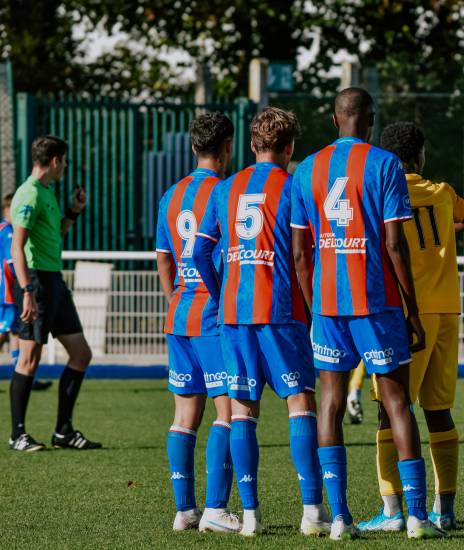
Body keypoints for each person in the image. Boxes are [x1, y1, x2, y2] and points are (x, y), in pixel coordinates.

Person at [291, 88, 446, 540]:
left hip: (329, 307)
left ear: (334, 120)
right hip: (377, 304)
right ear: (370, 121)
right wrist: (412, 309)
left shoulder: (308, 170)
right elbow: (395, 245)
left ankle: (339, 517)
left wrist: (313, 303)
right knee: (397, 402)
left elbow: (301, 255)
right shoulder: (385, 164)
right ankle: (416, 516)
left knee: (331, 403)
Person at [193, 107, 330, 537]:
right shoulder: (295, 187)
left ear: (252, 145)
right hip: (281, 313)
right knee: (300, 404)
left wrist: (221, 296)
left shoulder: (225, 189)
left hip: (234, 316)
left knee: (242, 414)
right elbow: (303, 253)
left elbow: (198, 254)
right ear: (290, 148)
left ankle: (250, 516)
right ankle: (312, 512)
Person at [358, 121, 464, 533]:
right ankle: (445, 509)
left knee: (389, 411)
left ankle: (392, 510)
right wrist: (445, 230)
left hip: (409, 311)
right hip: (448, 311)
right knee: (439, 411)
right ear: (421, 155)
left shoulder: (386, 191)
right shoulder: (443, 193)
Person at [155, 112, 239, 532]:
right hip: (213, 317)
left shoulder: (170, 195)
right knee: (228, 412)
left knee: (184, 416)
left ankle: (184, 510)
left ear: (193, 148)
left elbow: (164, 258)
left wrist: (175, 299)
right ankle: (215, 510)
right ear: (228, 147)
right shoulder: (226, 192)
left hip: (179, 316)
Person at [8, 135, 97, 452]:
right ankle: (17, 434)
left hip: (53, 281)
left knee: (81, 354)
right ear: (56, 160)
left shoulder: (46, 192)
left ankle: (63, 431)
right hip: (36, 282)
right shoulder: (28, 194)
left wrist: (73, 212)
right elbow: (16, 246)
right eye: (66, 160)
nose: (66, 167)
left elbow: (54, 232)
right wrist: (27, 290)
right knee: (29, 359)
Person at [0, 194, 51, 392]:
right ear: (7, 210)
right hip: (7, 291)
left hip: (7, 290)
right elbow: (12, 261)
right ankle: (24, 375)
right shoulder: (9, 232)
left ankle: (21, 375)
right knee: (4, 332)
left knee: (15, 331)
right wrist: (26, 281)